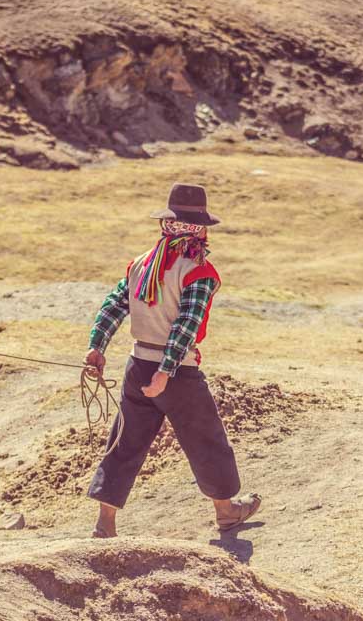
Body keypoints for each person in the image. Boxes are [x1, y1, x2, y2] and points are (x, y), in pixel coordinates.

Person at [84, 182, 261, 538]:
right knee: (206, 439)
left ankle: (105, 523)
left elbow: (113, 306)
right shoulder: (198, 270)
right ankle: (226, 512)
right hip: (177, 372)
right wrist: (166, 372)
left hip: (137, 366)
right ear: (199, 229)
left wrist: (97, 347)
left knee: (125, 441)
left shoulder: (140, 265)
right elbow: (186, 325)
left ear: (167, 224)